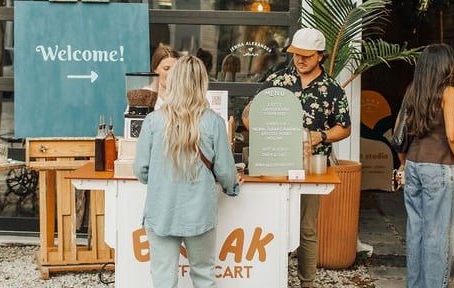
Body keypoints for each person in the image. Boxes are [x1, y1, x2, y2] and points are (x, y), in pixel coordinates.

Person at [133, 55, 241, 288]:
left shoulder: (152, 121)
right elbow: (225, 172)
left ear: (173, 81)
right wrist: (232, 188)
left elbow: (141, 170)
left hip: (161, 211)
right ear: (202, 83)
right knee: (203, 275)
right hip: (200, 213)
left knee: (163, 278)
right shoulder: (214, 122)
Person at [256, 27, 351, 288]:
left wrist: (319, 136)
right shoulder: (277, 80)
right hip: (275, 164)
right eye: (296, 54)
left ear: (320, 56)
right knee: (273, 223)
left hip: (312, 167)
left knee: (307, 229)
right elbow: (251, 112)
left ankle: (307, 283)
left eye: (307, 55)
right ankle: (272, 280)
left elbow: (345, 127)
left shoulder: (332, 89)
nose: (300, 59)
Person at [396, 43, 454, 288]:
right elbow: (453, 136)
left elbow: (399, 131)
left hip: (413, 165)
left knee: (416, 232)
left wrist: (404, 164)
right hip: (438, 165)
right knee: (438, 235)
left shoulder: (413, 89)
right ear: (446, 65)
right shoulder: (449, 93)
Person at [150, 43, 180, 109]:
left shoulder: (183, 96)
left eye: (175, 69)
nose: (171, 73)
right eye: (166, 68)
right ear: (155, 68)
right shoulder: (144, 96)